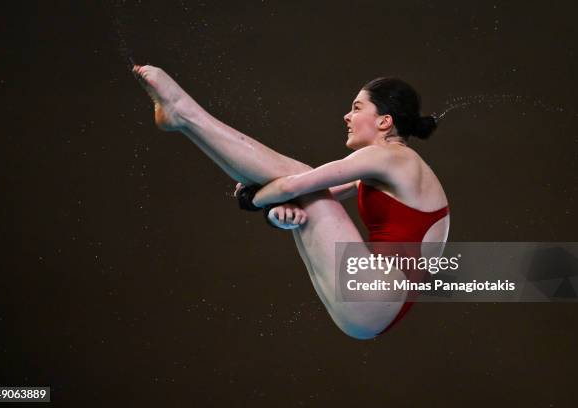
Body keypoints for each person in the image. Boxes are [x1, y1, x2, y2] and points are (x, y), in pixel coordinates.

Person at [133, 65, 449, 339]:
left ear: (384, 122)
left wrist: (253, 199)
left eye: (356, 107)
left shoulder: (391, 157)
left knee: (301, 174)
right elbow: (299, 195)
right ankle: (181, 118)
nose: (347, 116)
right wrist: (278, 212)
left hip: (374, 296)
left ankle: (184, 111)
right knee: (301, 188)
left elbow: (294, 183)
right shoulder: (394, 166)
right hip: (372, 311)